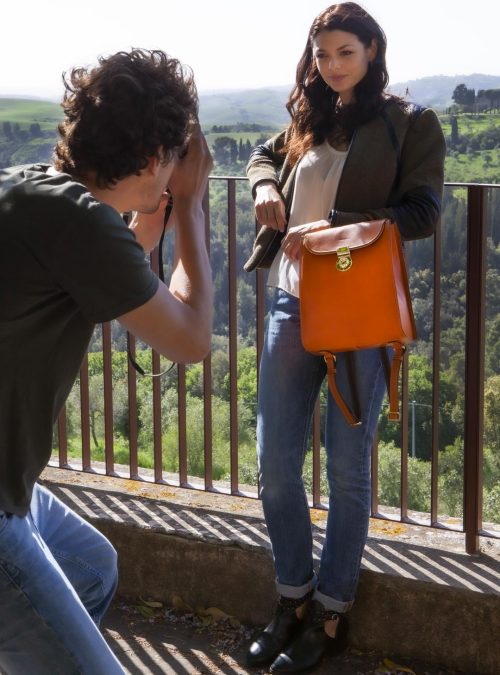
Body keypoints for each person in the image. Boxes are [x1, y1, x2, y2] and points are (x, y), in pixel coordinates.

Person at [244, 3, 445, 673]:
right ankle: (291, 598)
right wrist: (265, 185)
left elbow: (421, 212)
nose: (331, 65)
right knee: (275, 465)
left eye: (344, 53)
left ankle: (331, 613)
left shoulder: (408, 122)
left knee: (348, 471)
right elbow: (258, 157)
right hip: (288, 305)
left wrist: (334, 233)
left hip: (357, 311)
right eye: (322, 54)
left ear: (372, 50)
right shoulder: (308, 118)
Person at [0, 49, 213, 674]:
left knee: (91, 568)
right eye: (173, 159)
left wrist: (157, 208)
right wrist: (192, 208)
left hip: (12, 484)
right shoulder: (76, 222)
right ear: (154, 161)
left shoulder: (33, 189)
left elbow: (123, 259)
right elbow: (192, 340)